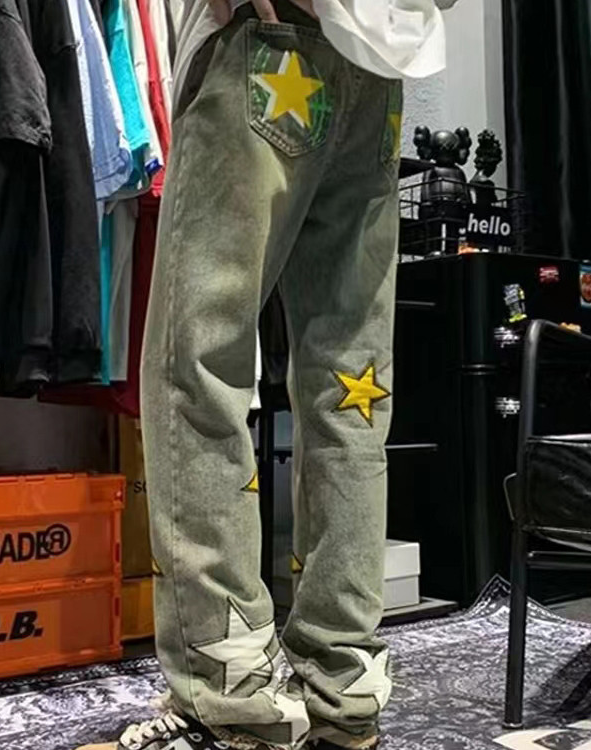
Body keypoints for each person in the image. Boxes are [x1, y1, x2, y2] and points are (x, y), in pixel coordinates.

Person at [79, 1, 447, 749]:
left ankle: (229, 698)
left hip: (267, 47)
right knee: (350, 389)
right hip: (378, 70)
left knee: (196, 376)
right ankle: (342, 683)